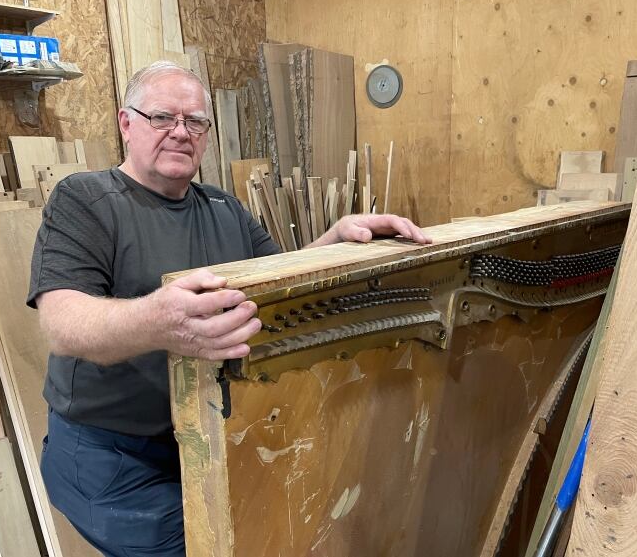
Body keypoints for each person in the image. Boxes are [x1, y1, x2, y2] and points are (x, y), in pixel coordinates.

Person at [27, 60, 431, 556]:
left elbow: (278, 280)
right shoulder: (86, 199)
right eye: (162, 118)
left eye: (195, 122)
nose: (180, 132)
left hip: (205, 436)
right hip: (110, 457)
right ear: (125, 122)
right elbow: (63, 322)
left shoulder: (223, 208)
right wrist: (157, 321)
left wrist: (336, 238)